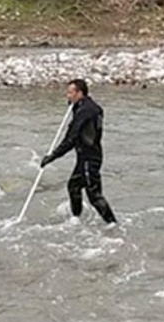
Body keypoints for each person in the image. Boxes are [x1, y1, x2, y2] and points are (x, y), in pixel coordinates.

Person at [40, 78, 117, 224]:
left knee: (94, 195)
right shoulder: (85, 107)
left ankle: (113, 224)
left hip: (90, 158)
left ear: (80, 93)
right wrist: (75, 107)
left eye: (70, 93)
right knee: (74, 186)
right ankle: (76, 220)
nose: (68, 96)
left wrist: (52, 157)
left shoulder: (86, 111)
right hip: (83, 157)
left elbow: (71, 139)